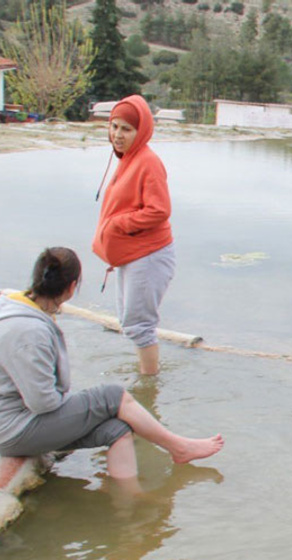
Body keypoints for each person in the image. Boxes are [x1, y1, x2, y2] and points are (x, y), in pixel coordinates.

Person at [0, 248, 224, 482]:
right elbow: (42, 403)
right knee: (112, 396)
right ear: (72, 287)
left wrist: (81, 410)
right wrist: (83, 407)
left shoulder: (20, 309)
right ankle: (178, 447)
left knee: (117, 429)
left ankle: (127, 505)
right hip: (11, 429)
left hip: (17, 422)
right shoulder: (28, 332)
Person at [92, 95, 177, 376]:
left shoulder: (148, 162)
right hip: (132, 254)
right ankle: (146, 374)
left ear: (141, 132)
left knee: (139, 325)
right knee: (129, 322)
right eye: (114, 126)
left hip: (149, 255)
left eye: (126, 129)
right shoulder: (128, 159)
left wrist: (117, 226)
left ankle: (148, 388)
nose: (117, 135)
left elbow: (159, 210)